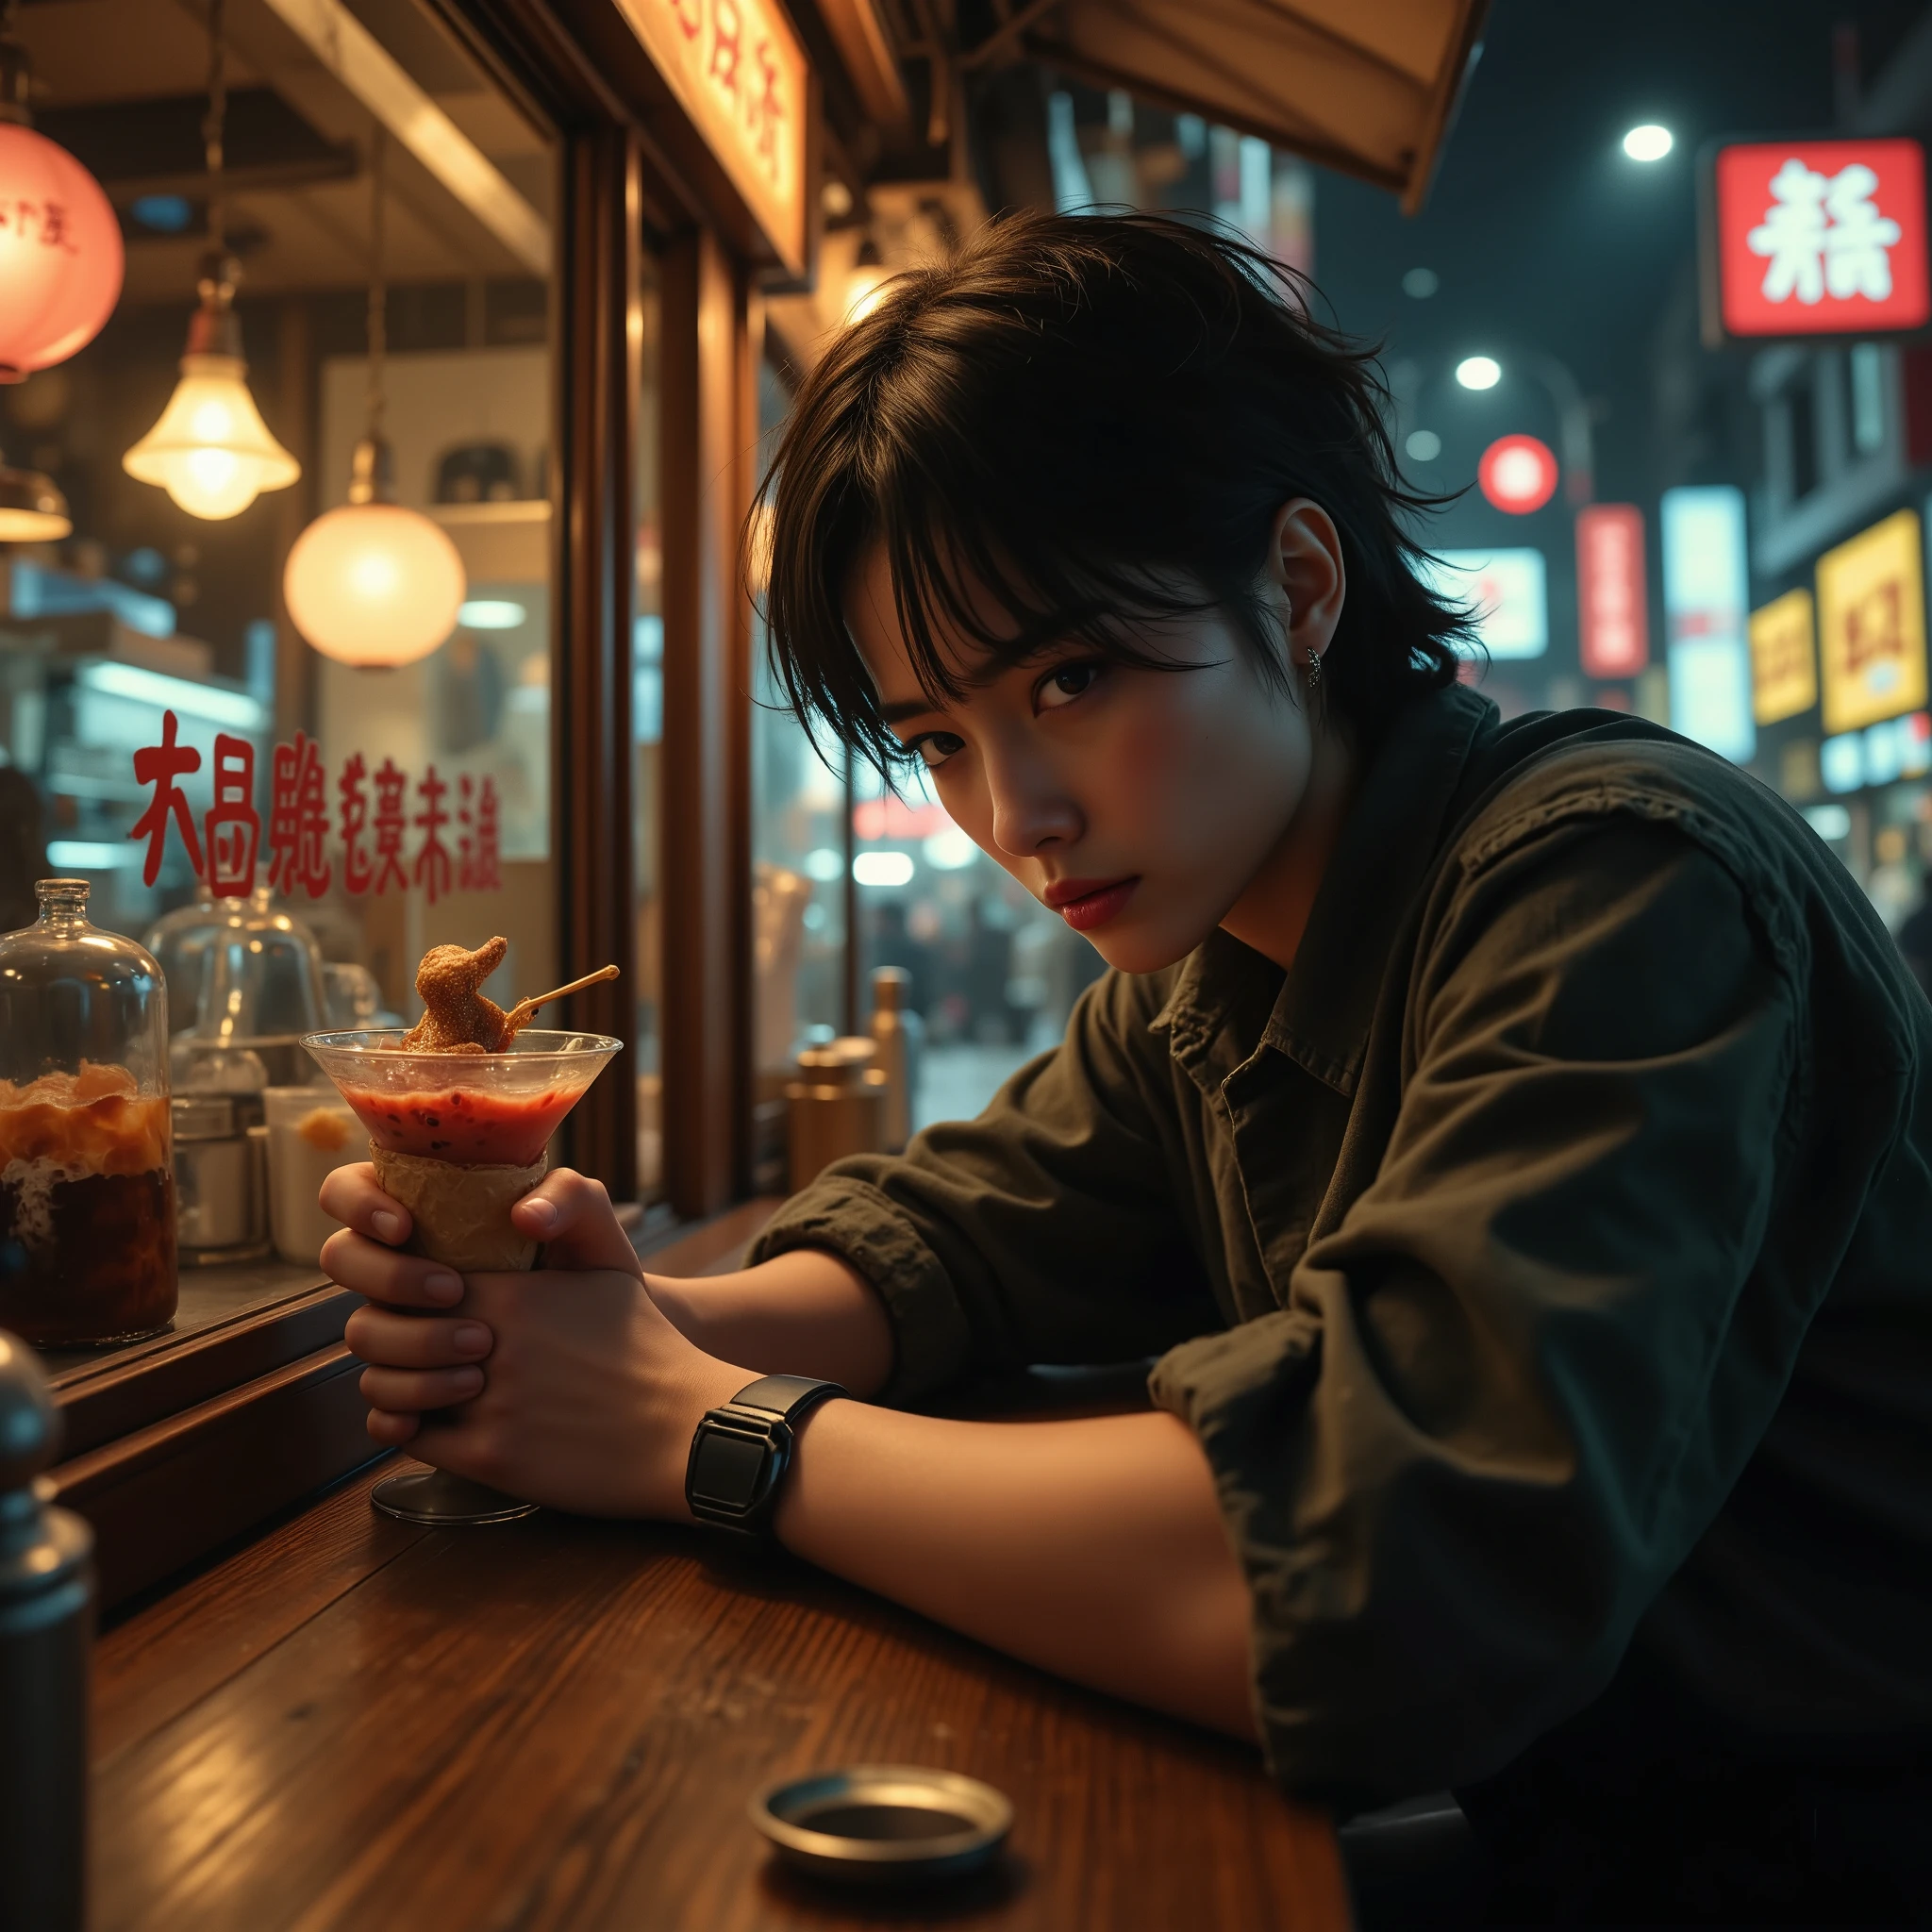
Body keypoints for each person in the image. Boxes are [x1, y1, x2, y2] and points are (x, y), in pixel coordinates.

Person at [324, 214, 1932, 1923]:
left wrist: (698, 1432)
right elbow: (967, 1233)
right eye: (941, 738)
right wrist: (614, 1324)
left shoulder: (1620, 884)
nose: (1016, 818)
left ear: (1302, 587)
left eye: (1072, 678)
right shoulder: (1215, 954)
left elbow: (1395, 1573)